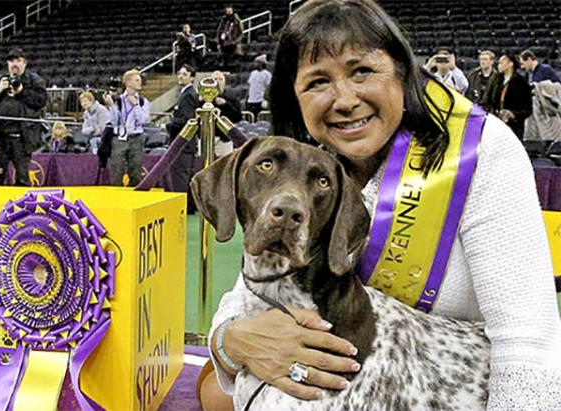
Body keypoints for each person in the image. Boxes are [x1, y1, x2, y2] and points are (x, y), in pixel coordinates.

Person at [199, 1, 561, 410]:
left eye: (362, 71)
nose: (345, 99)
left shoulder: (478, 150)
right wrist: (228, 341)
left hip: (463, 389)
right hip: (353, 385)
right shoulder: (311, 166)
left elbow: (527, 339)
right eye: (318, 82)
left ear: (404, 74)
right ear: (295, 97)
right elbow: (251, 289)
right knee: (216, 390)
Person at [0, 47, 47, 186]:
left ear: (24, 63)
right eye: (11, 61)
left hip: (22, 139)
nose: (14, 64)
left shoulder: (34, 80)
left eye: (18, 60)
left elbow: (41, 101)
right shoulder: (0, 79)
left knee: (23, 180)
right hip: (1, 138)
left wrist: (21, 91)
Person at [104, 69, 150, 186]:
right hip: (120, 137)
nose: (140, 82)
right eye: (136, 80)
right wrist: (111, 106)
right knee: (117, 169)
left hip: (136, 137)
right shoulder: (118, 100)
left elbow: (143, 120)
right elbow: (114, 121)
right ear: (128, 82)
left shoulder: (143, 102)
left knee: (135, 170)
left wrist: (135, 105)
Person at [166, 64, 199, 213]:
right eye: (180, 73)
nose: (181, 76)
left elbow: (186, 120)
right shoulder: (185, 93)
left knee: (181, 175)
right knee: (186, 174)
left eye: (185, 74)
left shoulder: (189, 95)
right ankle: (190, 205)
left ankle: (184, 206)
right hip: (186, 143)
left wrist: (169, 126)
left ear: (192, 77)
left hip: (183, 143)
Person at [485, 53, 533, 140]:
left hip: (514, 127)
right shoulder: (496, 80)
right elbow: (488, 99)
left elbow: (528, 109)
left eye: (501, 63)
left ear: (510, 64)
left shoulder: (521, 82)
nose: (499, 65)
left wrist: (513, 114)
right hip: (496, 124)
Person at [216, 5, 244, 71]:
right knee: (225, 59)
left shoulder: (236, 20)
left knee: (234, 59)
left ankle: (235, 70)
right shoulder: (223, 20)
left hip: (233, 42)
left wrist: (236, 41)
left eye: (230, 11)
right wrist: (219, 42)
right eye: (227, 11)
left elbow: (241, 33)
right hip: (225, 43)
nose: (228, 12)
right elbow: (219, 31)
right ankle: (225, 70)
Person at [246, 55, 272, 121]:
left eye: (257, 62)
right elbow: (250, 86)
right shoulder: (253, 73)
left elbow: (268, 87)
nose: (255, 64)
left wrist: (266, 99)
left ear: (261, 64)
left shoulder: (267, 74)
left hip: (260, 101)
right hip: (251, 101)